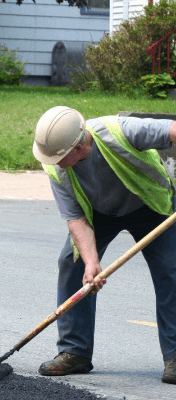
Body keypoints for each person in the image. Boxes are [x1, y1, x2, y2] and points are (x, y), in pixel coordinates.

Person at [32, 106, 176, 385]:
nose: (56, 162)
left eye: (61, 157)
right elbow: (75, 217)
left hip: (150, 205)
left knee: (172, 269)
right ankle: (75, 351)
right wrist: (91, 263)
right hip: (97, 213)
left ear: (79, 145)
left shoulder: (119, 130)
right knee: (72, 264)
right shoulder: (55, 167)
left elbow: (172, 130)